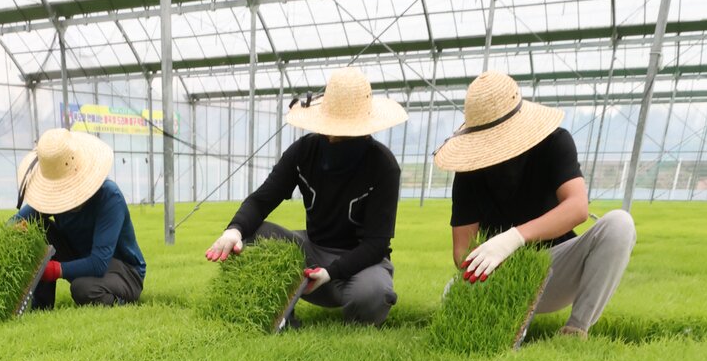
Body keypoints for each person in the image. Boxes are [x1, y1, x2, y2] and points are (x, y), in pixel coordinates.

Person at [433, 71, 636, 339]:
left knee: (619, 224)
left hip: (559, 265)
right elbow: (462, 250)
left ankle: (576, 329)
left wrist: (515, 237)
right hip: (500, 271)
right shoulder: (470, 170)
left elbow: (577, 208)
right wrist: (495, 259)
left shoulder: (554, 143)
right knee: (452, 293)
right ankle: (510, 321)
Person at [205, 69, 405, 327]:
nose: (336, 138)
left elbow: (376, 244)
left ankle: (357, 309)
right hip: (310, 251)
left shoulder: (383, 166)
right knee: (251, 237)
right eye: (333, 129)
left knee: (372, 295)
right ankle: (279, 314)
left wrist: (331, 272)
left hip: (359, 265)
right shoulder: (303, 152)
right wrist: (234, 230)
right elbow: (262, 200)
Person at [15, 127, 145, 308]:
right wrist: (14, 233)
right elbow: (18, 221)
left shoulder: (109, 196)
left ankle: (119, 299)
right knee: (36, 227)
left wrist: (54, 270)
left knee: (82, 289)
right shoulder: (53, 197)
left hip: (122, 270)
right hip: (81, 258)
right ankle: (42, 306)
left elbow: (99, 262)